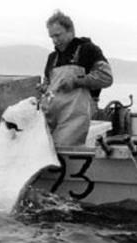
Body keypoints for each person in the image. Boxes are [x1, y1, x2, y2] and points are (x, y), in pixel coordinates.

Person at [39, 10, 113, 146]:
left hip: (75, 115)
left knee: (61, 150)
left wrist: (76, 82)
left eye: (58, 35)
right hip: (52, 115)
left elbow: (106, 77)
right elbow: (48, 83)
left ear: (70, 31)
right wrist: (44, 88)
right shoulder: (52, 58)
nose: (55, 40)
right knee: (42, 147)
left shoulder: (88, 50)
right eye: (52, 37)